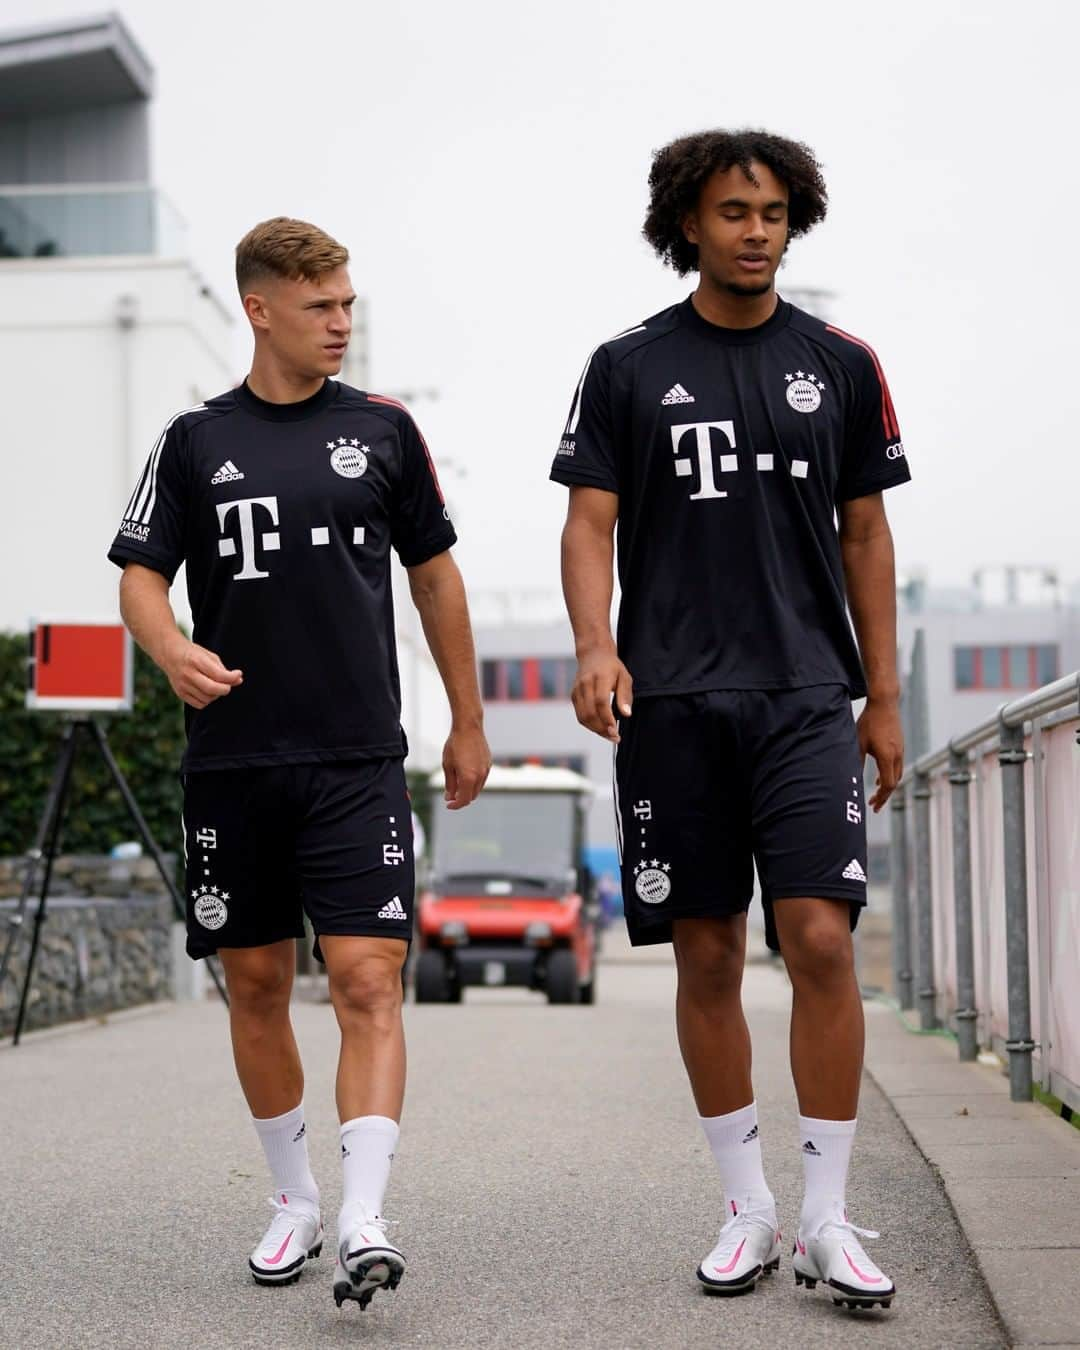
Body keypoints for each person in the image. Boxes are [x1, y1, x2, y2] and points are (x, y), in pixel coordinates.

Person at [550, 130, 908, 1311]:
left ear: (792, 220)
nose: (755, 229)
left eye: (771, 211)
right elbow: (589, 522)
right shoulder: (627, 366)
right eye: (731, 211)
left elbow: (867, 532)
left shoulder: (842, 364)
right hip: (673, 704)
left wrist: (884, 697)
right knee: (705, 954)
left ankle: (825, 1214)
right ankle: (746, 1207)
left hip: (809, 697)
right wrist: (596, 645)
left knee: (817, 939)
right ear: (687, 225)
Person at [108, 216, 490, 1311]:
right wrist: (170, 645)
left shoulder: (383, 432)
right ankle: (294, 1199)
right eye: (321, 306)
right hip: (234, 762)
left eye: (348, 304)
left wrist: (467, 719)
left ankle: (367, 1215)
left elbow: (435, 579)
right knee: (259, 982)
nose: (342, 323)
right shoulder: (193, 442)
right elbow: (140, 574)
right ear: (261, 308)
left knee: (369, 978)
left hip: (357, 758)